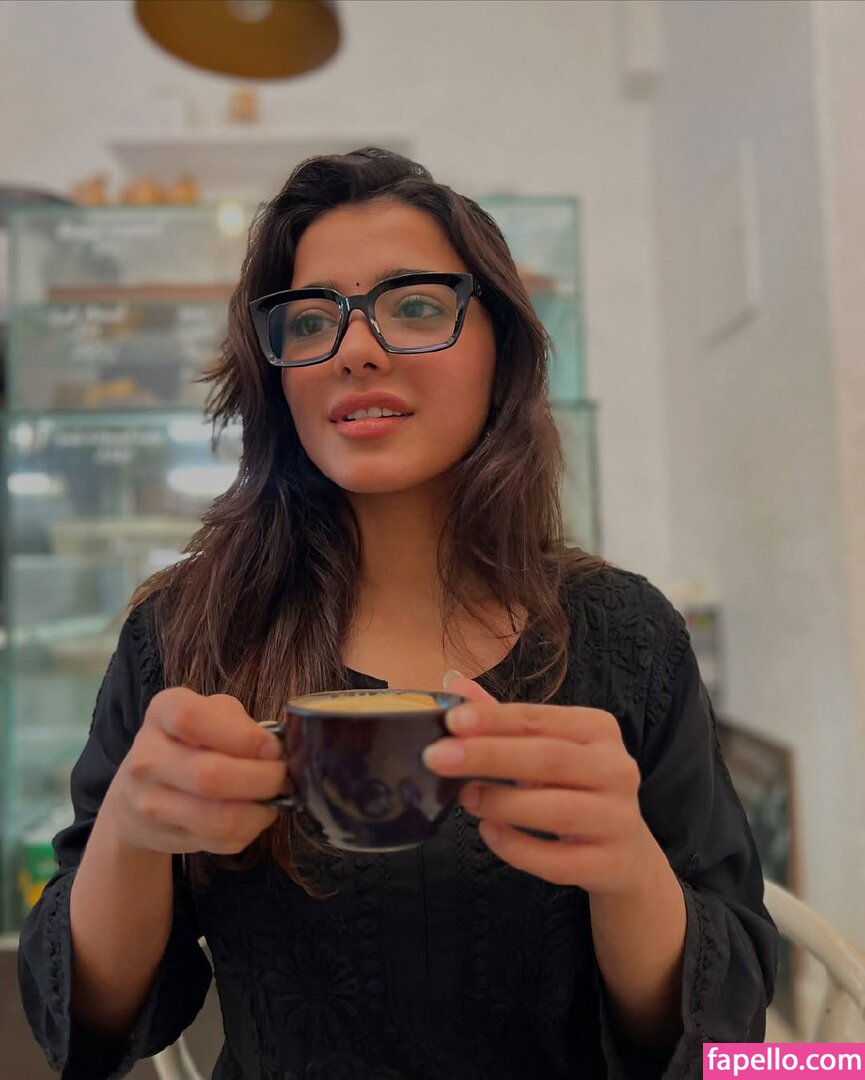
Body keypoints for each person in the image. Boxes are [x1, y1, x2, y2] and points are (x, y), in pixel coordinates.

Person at [18, 147, 778, 1080]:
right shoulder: (185, 632)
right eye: (310, 320)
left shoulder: (626, 635)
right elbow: (87, 1028)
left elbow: (730, 1038)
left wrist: (627, 868)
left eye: (415, 305)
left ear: (502, 349)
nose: (355, 349)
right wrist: (132, 835)